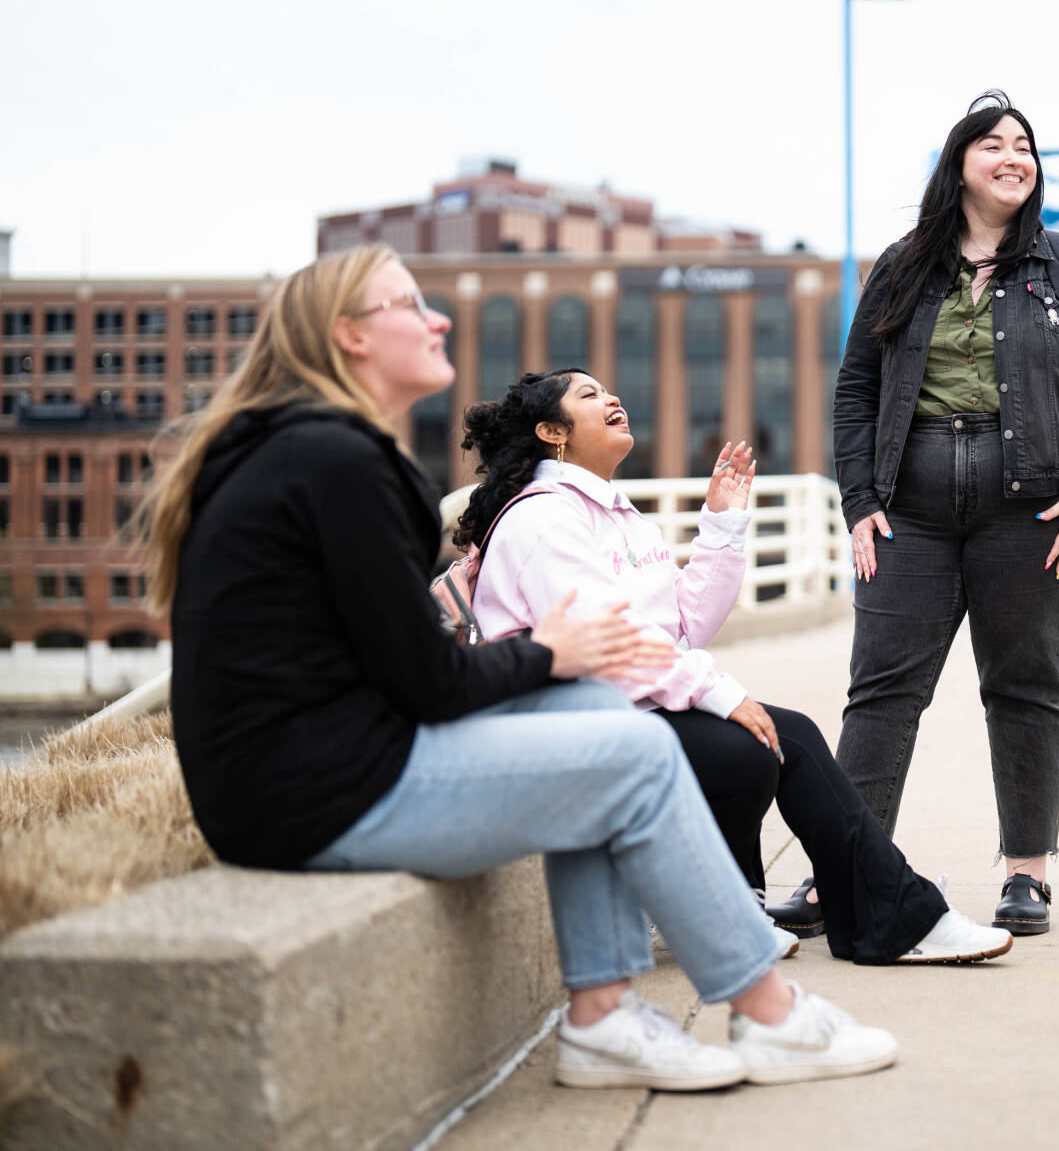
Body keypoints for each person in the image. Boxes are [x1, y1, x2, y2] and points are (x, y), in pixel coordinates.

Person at [142, 245, 900, 1094]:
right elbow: (425, 684)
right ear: (349, 338)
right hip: (316, 794)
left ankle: (604, 1017)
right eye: (409, 306)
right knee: (636, 756)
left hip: (294, 779)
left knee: (601, 723)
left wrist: (561, 667)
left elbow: (405, 675)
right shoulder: (342, 463)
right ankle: (769, 1011)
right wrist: (551, 651)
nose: (437, 320)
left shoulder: (309, 452)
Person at [460, 367, 1012, 966]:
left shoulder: (612, 513)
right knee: (753, 741)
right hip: (567, 721)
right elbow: (607, 639)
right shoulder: (542, 519)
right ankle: (856, 912)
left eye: (609, 389)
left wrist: (722, 524)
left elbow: (683, 627)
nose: (613, 397)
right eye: (589, 395)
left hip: (616, 705)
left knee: (782, 733)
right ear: (551, 431)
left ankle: (867, 912)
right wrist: (720, 694)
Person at [829, 91, 1059, 935]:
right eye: (994, 143)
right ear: (959, 163)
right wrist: (859, 498)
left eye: (1025, 145)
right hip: (910, 514)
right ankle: (847, 868)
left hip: (1028, 513)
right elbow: (856, 389)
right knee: (882, 689)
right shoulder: (901, 267)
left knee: (1025, 685)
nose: (1014, 155)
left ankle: (1026, 874)